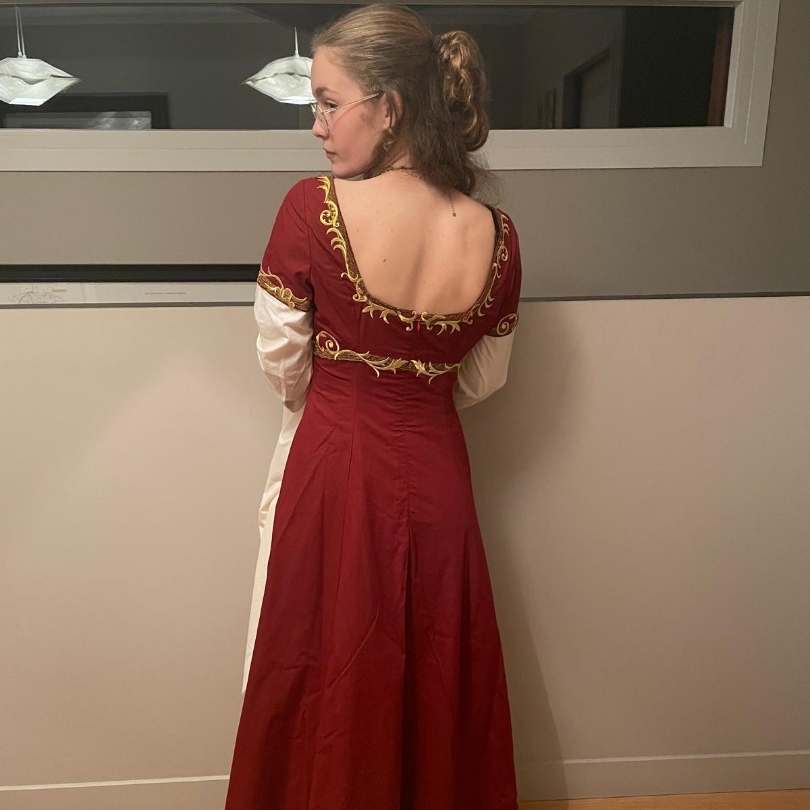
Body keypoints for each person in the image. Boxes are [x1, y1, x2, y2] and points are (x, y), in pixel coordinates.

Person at [225, 5, 522, 809]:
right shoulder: (496, 234)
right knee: (431, 663)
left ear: (389, 107)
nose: (317, 126)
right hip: (439, 478)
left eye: (328, 103)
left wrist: (343, 395)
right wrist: (415, 395)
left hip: (335, 469)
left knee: (325, 668)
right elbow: (483, 381)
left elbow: (282, 363)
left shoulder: (311, 208)